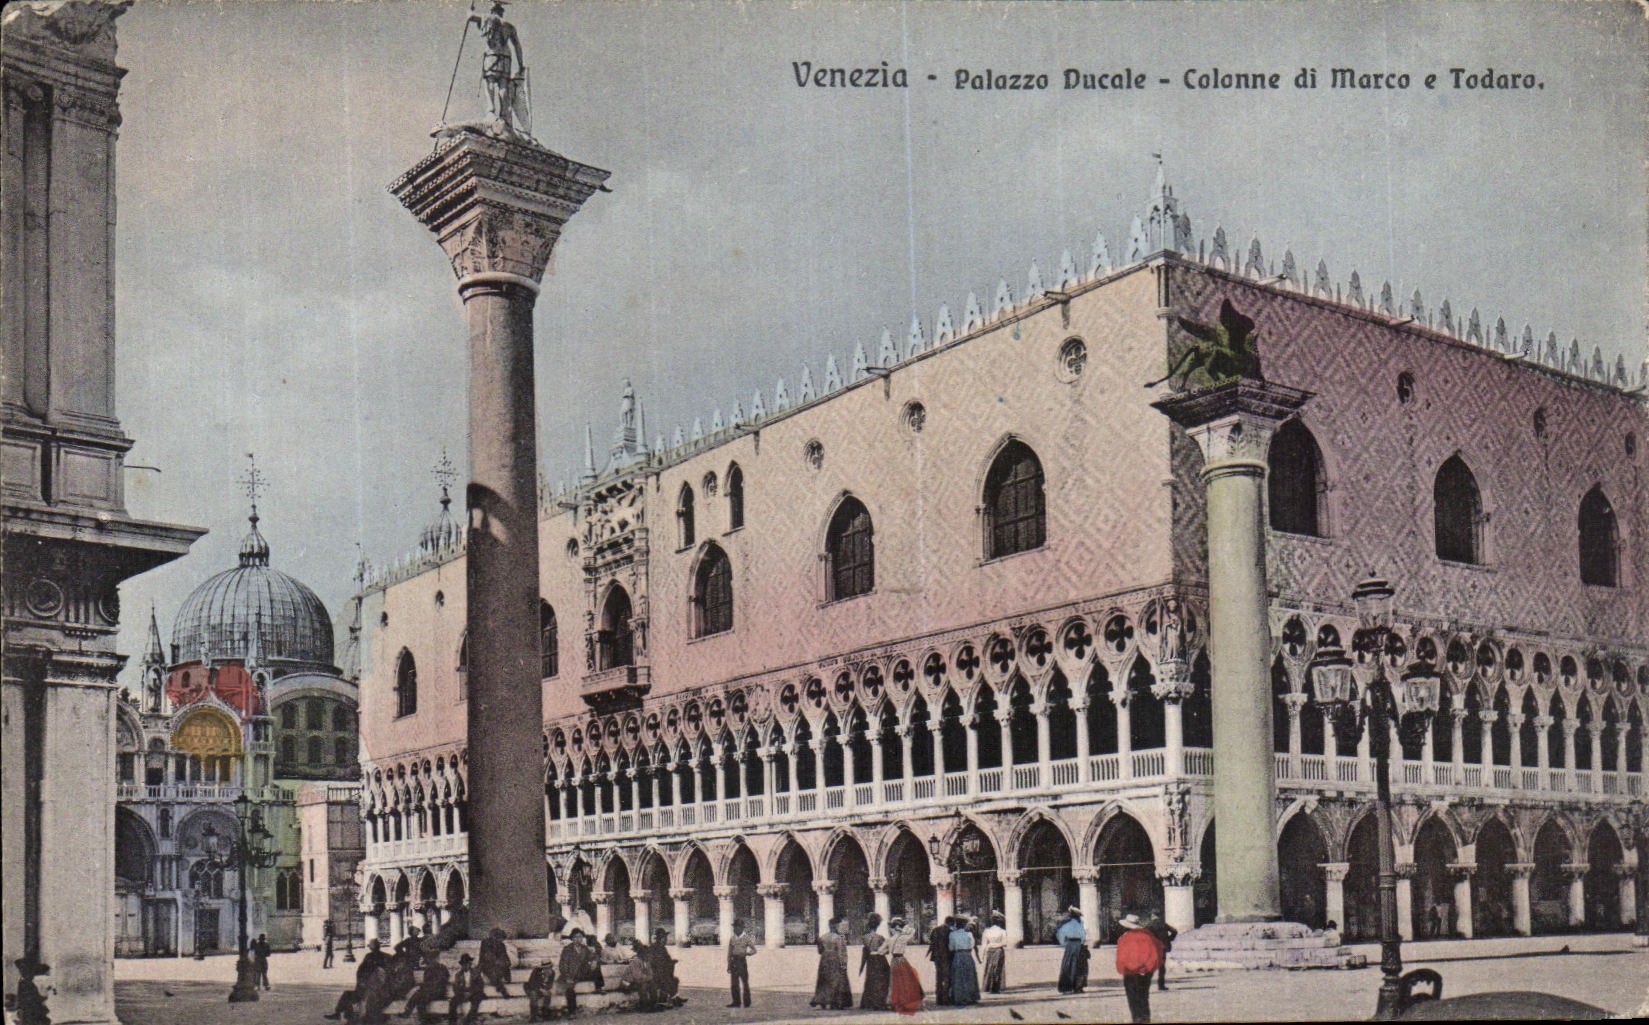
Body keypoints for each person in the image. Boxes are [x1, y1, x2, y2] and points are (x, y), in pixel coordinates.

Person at [466, 0, 526, 129]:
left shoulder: (487, 18)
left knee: (489, 81)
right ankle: (504, 114)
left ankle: (491, 109)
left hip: (492, 54)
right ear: (502, 12)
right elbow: (517, 46)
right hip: (506, 56)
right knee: (503, 84)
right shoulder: (509, 26)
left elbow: (470, 16)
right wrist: (521, 64)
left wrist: (470, 11)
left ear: (492, 11)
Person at [1115, 914, 1165, 1024]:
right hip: (1146, 972)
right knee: (1144, 996)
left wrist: (1127, 968)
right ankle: (1145, 1018)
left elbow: (1122, 957)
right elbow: (1156, 954)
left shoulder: (1124, 938)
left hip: (1130, 972)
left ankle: (1137, 1019)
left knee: (1133, 997)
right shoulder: (1148, 936)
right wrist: (1147, 969)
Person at [327, 938, 389, 1020]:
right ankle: (348, 1013)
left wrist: (361, 982)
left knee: (348, 995)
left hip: (370, 989)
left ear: (371, 947)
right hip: (379, 989)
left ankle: (342, 1013)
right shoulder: (386, 956)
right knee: (354, 995)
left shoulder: (369, 956)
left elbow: (361, 970)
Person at [810, 917, 853, 1008]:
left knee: (824, 980)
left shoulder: (823, 937)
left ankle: (822, 1000)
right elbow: (842, 952)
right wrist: (844, 964)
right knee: (837, 980)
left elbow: (820, 951)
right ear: (836, 926)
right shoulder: (839, 938)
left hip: (824, 959)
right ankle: (836, 1001)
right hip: (835, 959)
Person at [886, 917, 924, 1015]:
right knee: (905, 982)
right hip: (901, 960)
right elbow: (913, 931)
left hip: (893, 960)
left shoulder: (889, 939)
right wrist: (903, 930)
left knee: (895, 982)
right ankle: (905, 1002)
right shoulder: (903, 937)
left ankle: (895, 1002)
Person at [400, 951, 450, 1023]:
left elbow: (442, 982)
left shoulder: (442, 968)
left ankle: (408, 1012)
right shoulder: (428, 969)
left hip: (439, 992)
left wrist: (427, 988)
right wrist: (424, 988)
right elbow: (426, 982)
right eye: (431, 959)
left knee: (419, 995)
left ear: (437, 959)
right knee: (420, 998)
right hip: (430, 992)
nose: (432, 960)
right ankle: (423, 1020)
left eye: (434, 958)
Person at [557, 929, 592, 1018]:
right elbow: (563, 964)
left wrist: (594, 960)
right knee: (569, 989)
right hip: (570, 974)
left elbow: (593, 956)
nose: (578, 939)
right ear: (572, 939)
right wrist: (567, 976)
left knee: (597, 968)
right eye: (576, 937)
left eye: (580, 937)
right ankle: (572, 1012)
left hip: (582, 973)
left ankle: (600, 987)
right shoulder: (567, 949)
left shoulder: (585, 948)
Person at [859, 913, 890, 1010]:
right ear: (877, 925)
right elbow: (887, 951)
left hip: (870, 960)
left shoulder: (865, 937)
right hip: (880, 960)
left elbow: (865, 951)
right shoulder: (880, 938)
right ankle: (880, 1002)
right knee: (882, 981)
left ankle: (868, 1002)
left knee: (870, 980)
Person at [947, 916, 980, 1007]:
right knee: (969, 976)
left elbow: (951, 947)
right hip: (968, 955)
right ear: (964, 925)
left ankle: (959, 998)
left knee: (958, 977)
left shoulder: (952, 934)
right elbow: (972, 945)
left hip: (958, 955)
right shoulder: (969, 934)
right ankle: (971, 997)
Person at [645, 927, 682, 1009]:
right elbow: (651, 962)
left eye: (665, 938)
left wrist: (672, 961)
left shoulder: (663, 948)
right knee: (667, 980)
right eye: (664, 938)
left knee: (674, 980)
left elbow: (667, 959)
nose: (665, 940)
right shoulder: (653, 948)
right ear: (660, 938)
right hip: (655, 973)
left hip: (663, 972)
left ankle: (672, 998)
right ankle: (672, 998)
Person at [1056, 906, 1087, 994]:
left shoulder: (1066, 925)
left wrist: (1065, 944)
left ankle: (1066, 987)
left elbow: (1060, 935)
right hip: (1078, 945)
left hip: (1069, 945)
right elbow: (1083, 936)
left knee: (1067, 965)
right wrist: (1081, 943)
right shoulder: (1080, 924)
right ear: (1077, 916)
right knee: (1079, 966)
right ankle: (1078, 987)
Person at [727, 917, 757, 1007]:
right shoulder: (732, 939)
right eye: (734, 927)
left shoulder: (746, 938)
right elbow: (729, 952)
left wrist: (747, 953)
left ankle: (747, 1002)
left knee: (745, 982)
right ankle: (736, 1002)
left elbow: (754, 950)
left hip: (742, 961)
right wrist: (729, 965)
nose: (735, 929)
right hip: (734, 961)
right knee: (734, 983)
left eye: (737, 927)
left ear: (741, 928)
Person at [448, 953, 484, 1025]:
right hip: (463, 993)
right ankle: (452, 1022)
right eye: (464, 964)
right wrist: (462, 993)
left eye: (467, 963)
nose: (466, 966)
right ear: (461, 965)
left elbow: (480, 985)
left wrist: (471, 992)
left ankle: (469, 1020)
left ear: (470, 964)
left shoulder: (476, 973)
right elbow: (456, 987)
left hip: (474, 993)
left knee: (476, 1000)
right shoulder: (458, 975)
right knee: (453, 1002)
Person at [477, 927, 512, 998]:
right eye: (499, 938)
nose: (501, 941)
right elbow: (484, 957)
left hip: (498, 966)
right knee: (492, 973)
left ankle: (500, 987)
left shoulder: (502, 945)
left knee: (497, 971)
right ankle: (502, 990)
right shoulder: (485, 943)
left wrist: (505, 963)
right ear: (495, 937)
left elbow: (506, 958)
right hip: (487, 965)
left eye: (501, 939)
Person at [1145, 914, 1177, 992]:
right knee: (1162, 967)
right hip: (1163, 947)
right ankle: (1161, 985)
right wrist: (1169, 939)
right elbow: (1174, 931)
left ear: (1152, 916)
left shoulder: (1149, 925)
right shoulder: (1164, 924)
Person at [980, 910, 1008, 994]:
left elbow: (984, 945)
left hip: (990, 950)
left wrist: (982, 955)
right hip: (999, 950)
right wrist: (996, 945)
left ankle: (987, 987)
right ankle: (996, 987)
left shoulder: (986, 931)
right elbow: (1005, 943)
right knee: (998, 968)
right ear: (1000, 922)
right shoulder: (1002, 931)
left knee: (989, 968)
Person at [926, 918, 952, 1006]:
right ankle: (946, 998)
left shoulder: (935, 929)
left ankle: (939, 998)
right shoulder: (949, 931)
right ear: (950, 923)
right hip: (947, 956)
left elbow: (930, 940)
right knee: (947, 977)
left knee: (939, 977)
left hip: (936, 956)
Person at [524, 957, 557, 1022]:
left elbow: (550, 985)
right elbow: (532, 983)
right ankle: (533, 1016)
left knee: (548, 994)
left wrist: (546, 988)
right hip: (531, 988)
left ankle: (545, 1013)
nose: (547, 969)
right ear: (542, 968)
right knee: (533, 994)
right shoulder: (536, 971)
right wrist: (541, 989)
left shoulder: (552, 973)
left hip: (543, 989)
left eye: (549, 967)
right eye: (545, 968)